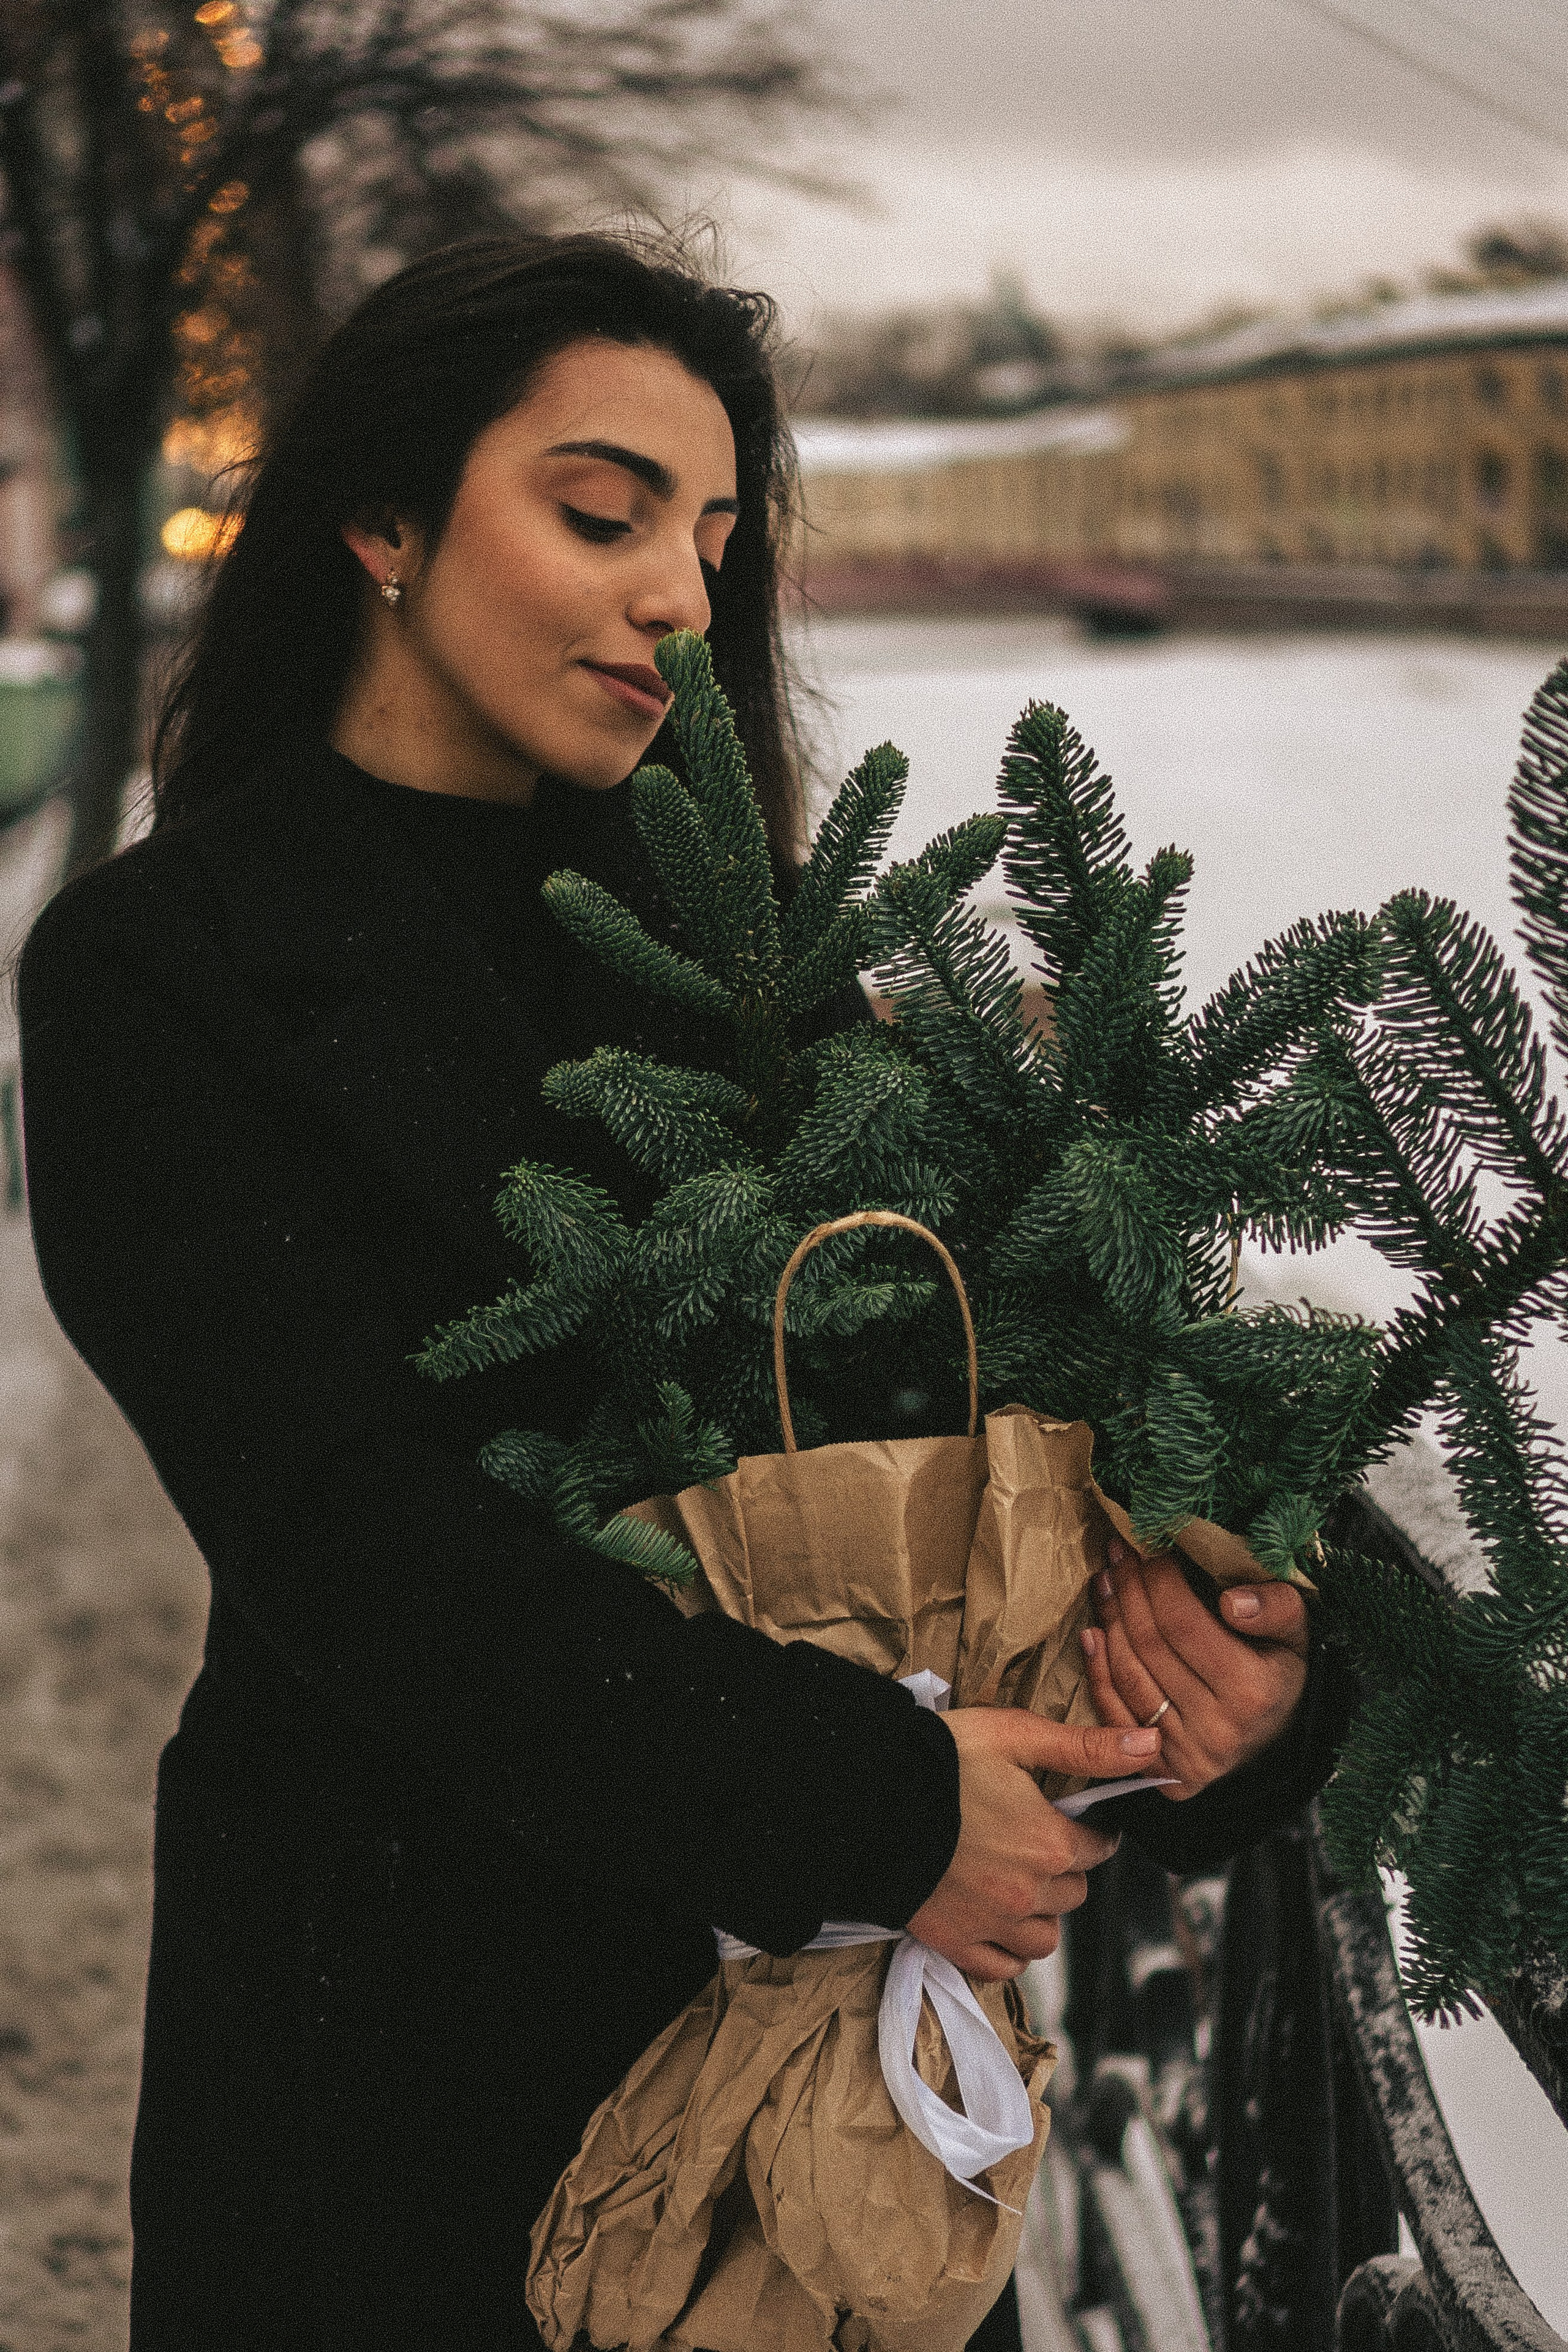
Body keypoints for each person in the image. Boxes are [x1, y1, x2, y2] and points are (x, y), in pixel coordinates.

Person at [19, 233, 1349, 2352]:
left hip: (846, 2125)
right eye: (601, 514)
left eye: (717, 544)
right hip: (402, 2059)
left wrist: (1236, 1700)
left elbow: (1010, 1434)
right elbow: (348, 1542)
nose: (680, 597)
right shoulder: (157, 974)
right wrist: (879, 1811)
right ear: (383, 517)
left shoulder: (757, 960)